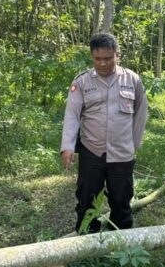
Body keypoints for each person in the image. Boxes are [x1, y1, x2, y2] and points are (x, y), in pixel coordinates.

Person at [61, 32, 148, 234]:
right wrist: (67, 146)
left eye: (108, 59)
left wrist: (133, 145)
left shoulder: (132, 80)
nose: (102, 64)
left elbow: (140, 114)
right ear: (92, 57)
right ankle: (86, 238)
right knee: (87, 198)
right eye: (97, 59)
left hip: (122, 153)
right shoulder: (82, 82)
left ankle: (120, 238)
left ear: (117, 55)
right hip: (92, 152)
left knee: (121, 198)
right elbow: (72, 115)